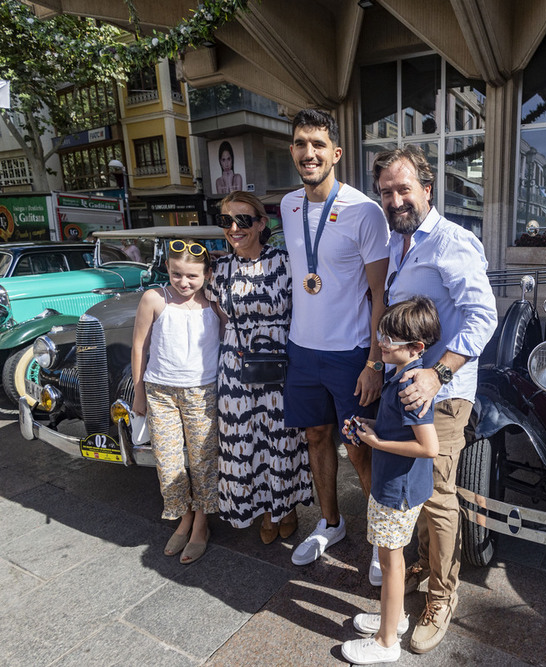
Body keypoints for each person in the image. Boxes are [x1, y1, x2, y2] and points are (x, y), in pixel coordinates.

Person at [373, 146, 498, 654]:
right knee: (416, 491)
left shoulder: (452, 241)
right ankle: (424, 563)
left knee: (439, 497)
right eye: (386, 191)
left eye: (404, 189)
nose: (395, 198)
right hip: (406, 388)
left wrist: (436, 374)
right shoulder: (399, 242)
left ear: (428, 189)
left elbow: (482, 316)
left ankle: (442, 597)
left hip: (442, 395)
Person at [281, 109, 390, 580]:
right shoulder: (287, 206)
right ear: (293, 151)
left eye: (319, 145)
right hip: (302, 350)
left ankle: (381, 542)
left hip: (351, 353)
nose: (310, 153)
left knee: (360, 447)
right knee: (317, 436)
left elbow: (381, 293)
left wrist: (374, 362)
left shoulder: (365, 212)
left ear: (336, 153)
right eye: (302, 144)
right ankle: (331, 523)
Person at [208, 191, 312, 543]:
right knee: (245, 443)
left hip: (279, 362)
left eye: (243, 220)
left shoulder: (285, 262)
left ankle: (287, 508)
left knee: (281, 441)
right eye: (227, 221)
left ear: (261, 223)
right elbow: (220, 319)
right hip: (236, 366)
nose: (234, 228)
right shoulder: (219, 270)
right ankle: (266, 511)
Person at [340, 296, 440, 665]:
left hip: (396, 489)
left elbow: (429, 446)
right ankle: (392, 619)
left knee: (391, 561)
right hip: (395, 485)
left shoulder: (408, 387)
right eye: (382, 335)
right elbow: (399, 428)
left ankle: (386, 642)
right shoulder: (401, 377)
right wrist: (370, 427)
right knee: (389, 557)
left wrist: (376, 442)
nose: (381, 343)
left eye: (390, 340)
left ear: (416, 348)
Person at [130, 239, 221, 564]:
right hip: (160, 393)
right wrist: (138, 392)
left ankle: (200, 524)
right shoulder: (155, 298)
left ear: (207, 274)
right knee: (168, 461)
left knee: (202, 461)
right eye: (177, 274)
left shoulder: (213, 303)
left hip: (202, 392)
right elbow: (139, 346)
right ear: (167, 269)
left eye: (192, 276)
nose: (184, 282)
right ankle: (183, 517)